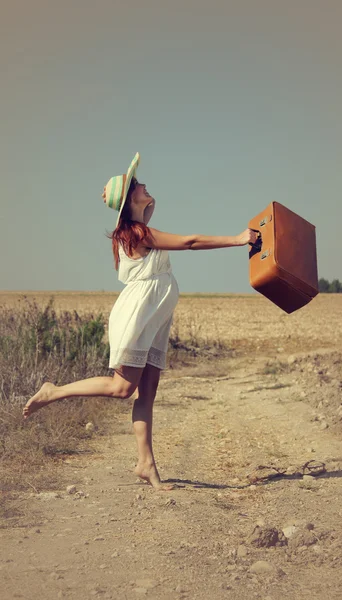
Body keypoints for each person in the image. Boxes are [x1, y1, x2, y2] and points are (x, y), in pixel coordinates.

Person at [23, 152, 258, 491]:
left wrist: (135, 197)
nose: (146, 184)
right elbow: (189, 243)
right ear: (131, 201)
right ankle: (53, 392)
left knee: (147, 392)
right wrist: (237, 240)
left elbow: (148, 207)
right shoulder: (139, 234)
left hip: (154, 316)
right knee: (123, 388)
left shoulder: (134, 230)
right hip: (139, 314)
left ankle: (146, 463)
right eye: (138, 185)